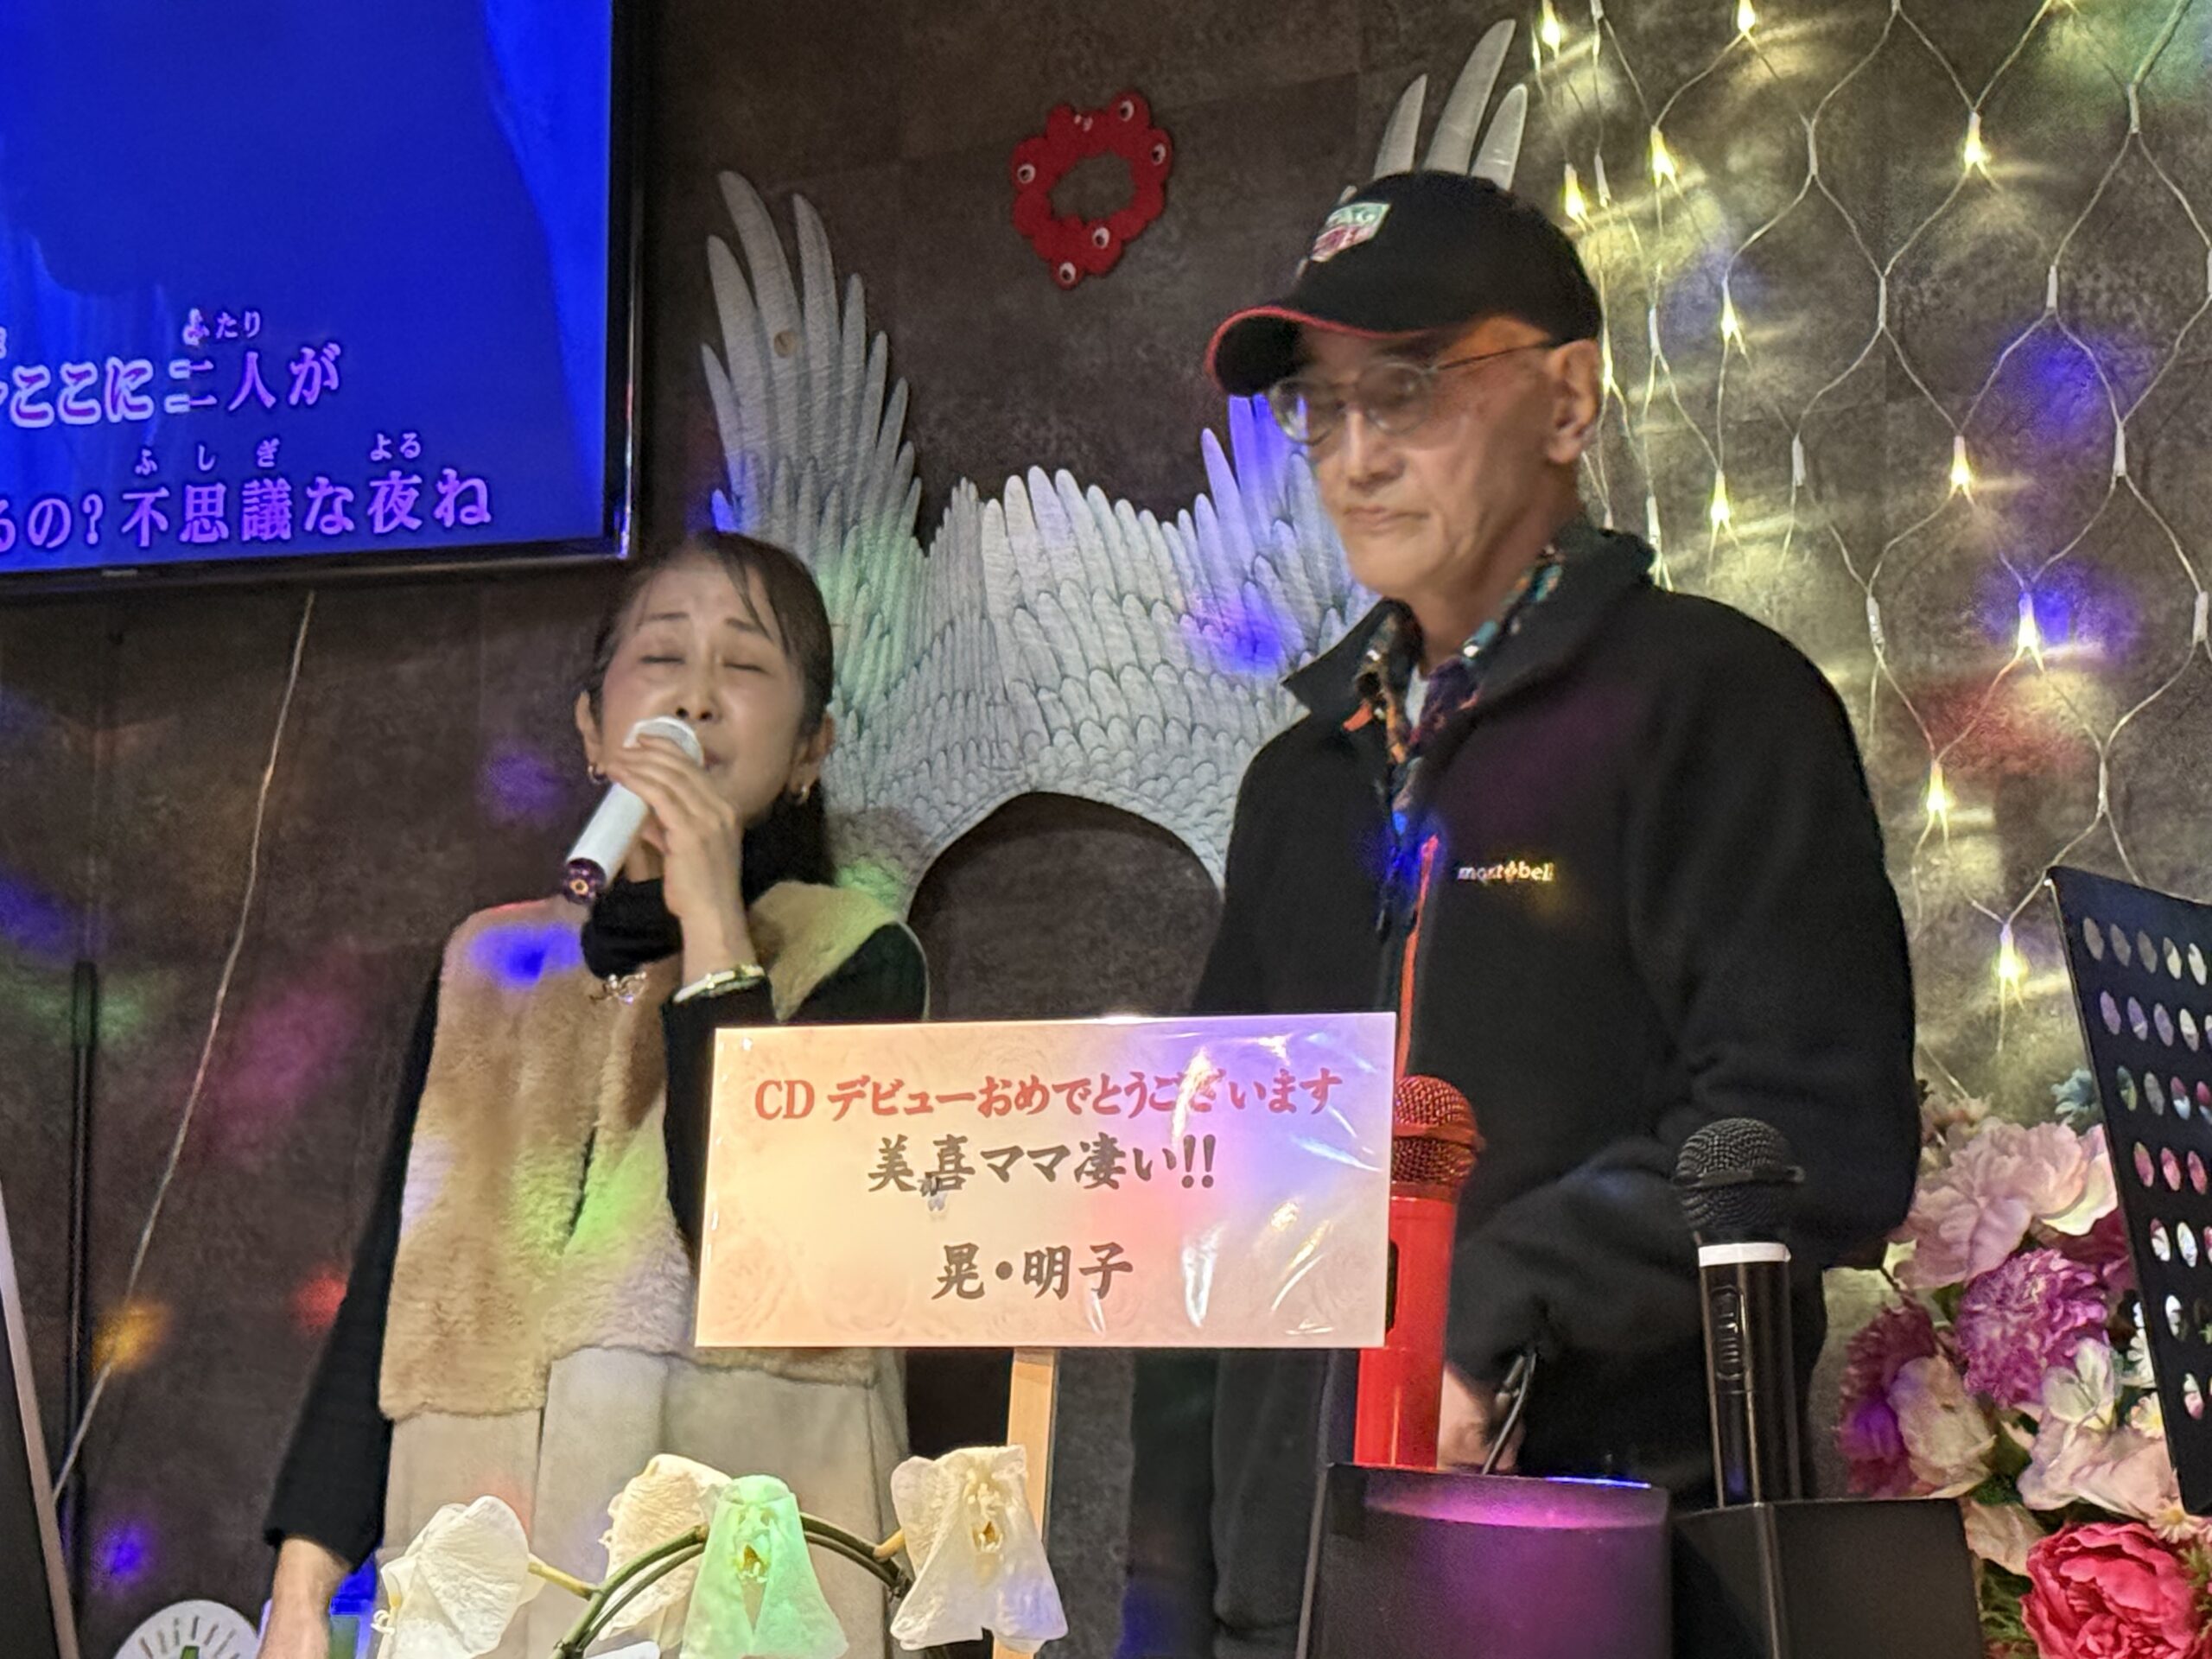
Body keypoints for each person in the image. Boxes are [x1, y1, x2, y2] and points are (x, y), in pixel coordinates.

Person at [1127, 170, 1919, 1658]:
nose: (1355, 456)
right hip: (1281, 1592)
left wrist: (1490, 1313)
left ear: (1567, 400)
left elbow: (1813, 1126)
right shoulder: (1298, 782)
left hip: (1596, 1570)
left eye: (1410, 389)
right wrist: (1164, 1602)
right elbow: (1211, 1194)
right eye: (1320, 407)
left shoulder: (1715, 705)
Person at [257, 531, 926, 1659]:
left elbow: (759, 1250)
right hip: (479, 1580)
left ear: (810, 747)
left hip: (735, 1589)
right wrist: (300, 1591)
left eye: (745, 666)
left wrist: (713, 925)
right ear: (591, 727)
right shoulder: (490, 964)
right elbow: (391, 1290)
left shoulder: (857, 958)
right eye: (662, 658)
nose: (697, 699)